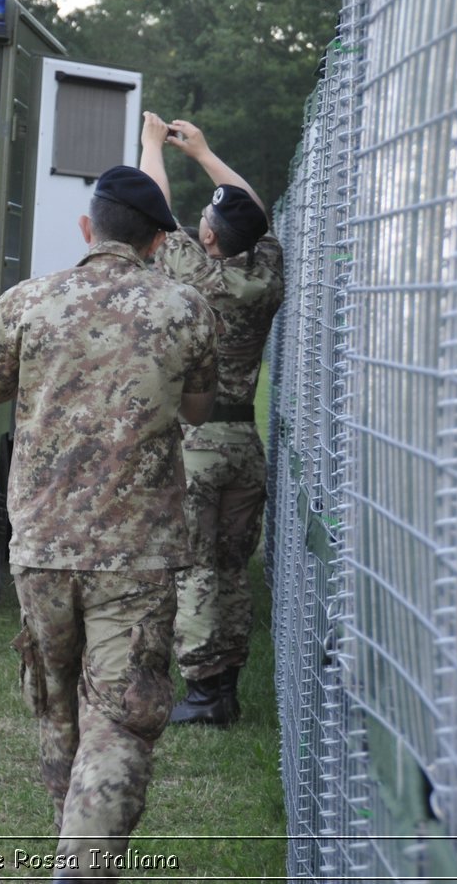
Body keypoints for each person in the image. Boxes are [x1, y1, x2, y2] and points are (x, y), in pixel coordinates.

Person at [0, 163, 217, 879]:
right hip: (136, 551)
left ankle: (71, 845)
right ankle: (82, 865)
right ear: (159, 241)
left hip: (41, 545)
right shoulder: (186, 308)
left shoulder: (29, 301)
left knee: (56, 702)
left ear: (88, 229)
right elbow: (199, 410)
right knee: (122, 713)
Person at [139, 114, 285, 727]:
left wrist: (154, 147)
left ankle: (202, 691)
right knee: (230, 567)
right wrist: (203, 153)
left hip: (199, 442)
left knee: (197, 567)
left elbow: (152, 211)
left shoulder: (198, 276)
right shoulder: (266, 270)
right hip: (244, 445)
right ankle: (226, 683)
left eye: (206, 221)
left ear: (211, 241)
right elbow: (252, 211)